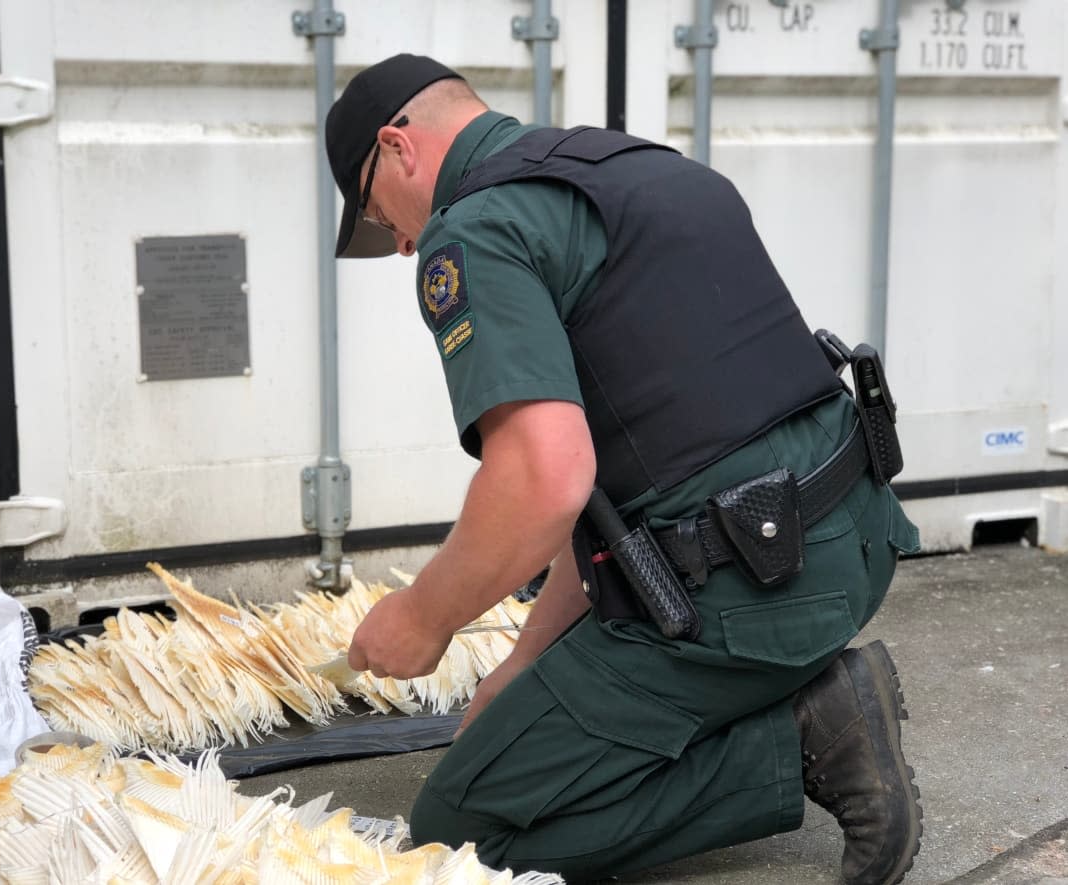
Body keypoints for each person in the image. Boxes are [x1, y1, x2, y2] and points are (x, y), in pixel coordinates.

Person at [325, 54, 924, 885]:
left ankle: (804, 730)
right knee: (530, 731)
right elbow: (616, 495)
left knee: (462, 827)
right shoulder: (637, 166)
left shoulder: (473, 230)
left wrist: (423, 617)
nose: (397, 243)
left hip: (754, 598)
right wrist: (525, 665)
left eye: (375, 211)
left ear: (400, 147)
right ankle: (796, 696)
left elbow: (545, 480)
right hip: (857, 539)